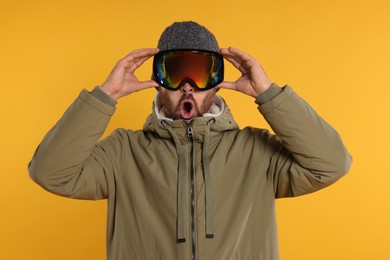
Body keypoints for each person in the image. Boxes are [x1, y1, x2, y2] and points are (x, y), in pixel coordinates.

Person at [28, 21, 352, 260]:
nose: (187, 87)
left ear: (216, 82)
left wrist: (268, 95)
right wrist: (105, 95)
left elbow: (332, 164)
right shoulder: (122, 154)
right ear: (157, 82)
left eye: (198, 74)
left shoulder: (256, 152)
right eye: (174, 73)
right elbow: (49, 172)